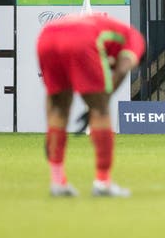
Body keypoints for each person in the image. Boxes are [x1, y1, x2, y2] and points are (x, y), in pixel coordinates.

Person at [37, 13, 146, 197]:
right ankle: (103, 183)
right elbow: (122, 67)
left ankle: (57, 182)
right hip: (81, 38)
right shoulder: (135, 39)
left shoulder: (105, 30)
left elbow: (52, 100)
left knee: (59, 108)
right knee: (101, 111)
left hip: (47, 36)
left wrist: (50, 134)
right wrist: (100, 102)